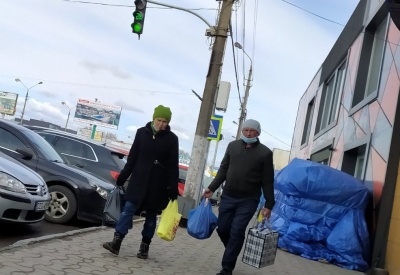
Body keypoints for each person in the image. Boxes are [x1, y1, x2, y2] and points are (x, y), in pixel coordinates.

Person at [103, 105, 179, 259]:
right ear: (153, 118)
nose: (161, 124)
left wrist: (173, 187)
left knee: (151, 216)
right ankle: (116, 242)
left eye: (165, 121)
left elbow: (173, 165)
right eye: (159, 120)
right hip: (139, 180)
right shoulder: (141, 133)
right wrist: (123, 177)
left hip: (158, 184)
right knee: (128, 210)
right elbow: (132, 158)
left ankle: (144, 247)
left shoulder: (172, 139)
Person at [203, 119, 275, 275]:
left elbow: (268, 180)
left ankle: (227, 268)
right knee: (222, 229)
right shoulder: (232, 146)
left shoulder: (265, 153)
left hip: (248, 200)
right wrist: (211, 188)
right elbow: (222, 170)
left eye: (252, 131)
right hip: (228, 196)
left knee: (236, 231)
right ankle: (233, 248)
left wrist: (269, 204)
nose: (248, 134)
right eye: (246, 130)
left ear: (258, 133)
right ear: (242, 131)